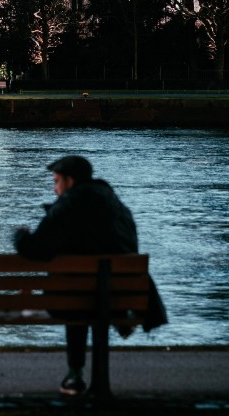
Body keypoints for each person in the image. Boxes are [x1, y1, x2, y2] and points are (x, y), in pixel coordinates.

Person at [13, 155, 167, 397]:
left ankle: (75, 374)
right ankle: (117, 320)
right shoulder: (115, 203)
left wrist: (20, 236)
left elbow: (35, 249)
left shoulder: (67, 205)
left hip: (71, 300)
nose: (55, 189)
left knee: (74, 294)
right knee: (88, 291)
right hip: (121, 297)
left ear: (69, 180)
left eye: (56, 181)